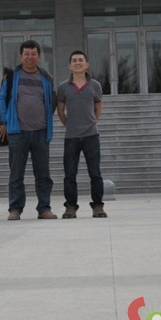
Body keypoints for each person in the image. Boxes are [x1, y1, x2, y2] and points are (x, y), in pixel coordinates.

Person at [0, 40, 57, 220]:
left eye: (33, 54)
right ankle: (15, 209)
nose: (30, 57)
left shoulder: (46, 78)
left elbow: (52, 102)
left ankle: (44, 208)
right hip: (17, 132)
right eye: (26, 54)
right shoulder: (11, 77)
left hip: (41, 132)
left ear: (39, 56)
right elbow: (1, 99)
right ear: (21, 56)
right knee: (16, 174)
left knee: (43, 174)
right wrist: (4, 121)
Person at [57, 50, 107, 218]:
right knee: (70, 174)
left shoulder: (95, 85)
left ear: (87, 64)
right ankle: (71, 206)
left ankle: (98, 206)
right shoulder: (63, 87)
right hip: (71, 137)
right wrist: (69, 125)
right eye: (74, 60)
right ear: (69, 66)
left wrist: (91, 122)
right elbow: (61, 110)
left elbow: (98, 108)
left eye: (80, 60)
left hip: (91, 136)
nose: (77, 63)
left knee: (95, 173)